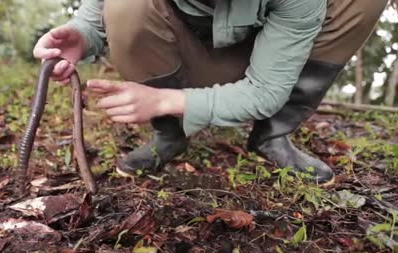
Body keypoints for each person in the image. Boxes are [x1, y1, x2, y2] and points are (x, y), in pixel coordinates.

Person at [33, 0, 388, 186]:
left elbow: (265, 89)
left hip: (269, 65)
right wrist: (82, 34)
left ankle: (272, 136)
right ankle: (168, 134)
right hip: (179, 57)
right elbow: (98, 12)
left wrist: (162, 100)